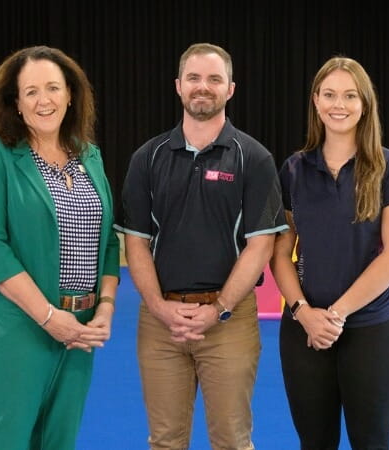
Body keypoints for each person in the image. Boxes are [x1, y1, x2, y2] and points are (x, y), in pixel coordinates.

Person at [116, 42, 288, 450]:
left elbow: (260, 246)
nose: (203, 87)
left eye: (214, 79)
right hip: (161, 324)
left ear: (231, 89)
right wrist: (159, 307)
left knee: (231, 440)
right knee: (165, 441)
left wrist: (220, 307)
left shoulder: (255, 158)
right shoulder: (147, 158)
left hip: (228, 321)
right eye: (194, 78)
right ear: (178, 86)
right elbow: (136, 244)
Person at [0, 45, 120, 449]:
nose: (44, 100)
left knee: (60, 440)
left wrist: (104, 307)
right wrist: (49, 317)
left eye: (53, 88)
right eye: (30, 91)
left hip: (82, 327)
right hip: (22, 326)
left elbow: (107, 243)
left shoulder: (90, 157)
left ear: (70, 95)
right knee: (9, 440)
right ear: (16, 103)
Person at [270, 56, 389, 450]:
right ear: (316, 101)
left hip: (374, 328)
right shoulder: (294, 170)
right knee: (314, 442)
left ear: (365, 104)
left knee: (370, 442)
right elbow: (280, 253)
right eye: (330, 94)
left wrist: (335, 316)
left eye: (350, 95)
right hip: (304, 328)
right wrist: (304, 312)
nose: (340, 104)